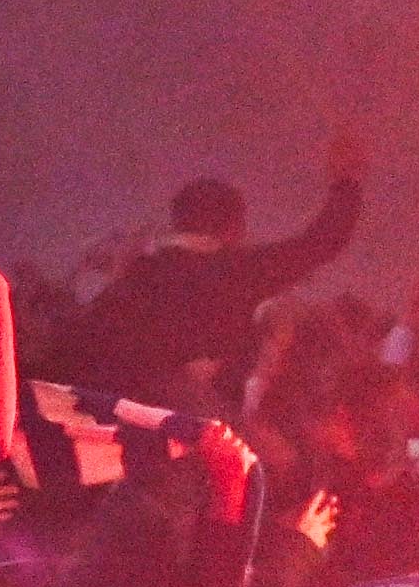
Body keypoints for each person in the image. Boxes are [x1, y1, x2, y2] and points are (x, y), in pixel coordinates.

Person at [49, 154, 364, 408]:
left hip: (93, 418)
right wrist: (346, 180)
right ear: (233, 229)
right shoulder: (233, 271)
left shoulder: (138, 273)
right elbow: (319, 243)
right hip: (176, 436)